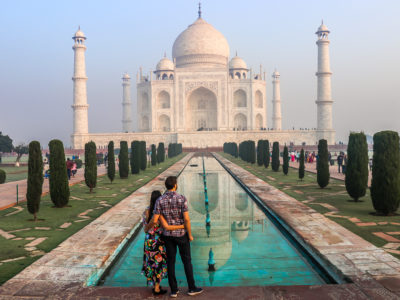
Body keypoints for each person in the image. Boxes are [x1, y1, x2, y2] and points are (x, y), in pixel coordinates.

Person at [151, 176, 203, 297]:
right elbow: (186, 219)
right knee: (187, 261)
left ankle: (174, 290)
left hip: (167, 236)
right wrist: (189, 235)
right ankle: (191, 288)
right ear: (175, 185)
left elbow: (155, 219)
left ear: (166, 186)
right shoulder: (181, 198)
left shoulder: (159, 200)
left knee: (171, 262)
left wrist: (148, 228)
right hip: (181, 235)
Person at [142, 191, 185, 296]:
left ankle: (154, 286)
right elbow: (166, 226)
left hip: (148, 241)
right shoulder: (159, 213)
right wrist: (182, 226)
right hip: (157, 241)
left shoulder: (146, 211)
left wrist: (148, 228)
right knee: (158, 264)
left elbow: (144, 228)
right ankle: (156, 289)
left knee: (151, 263)